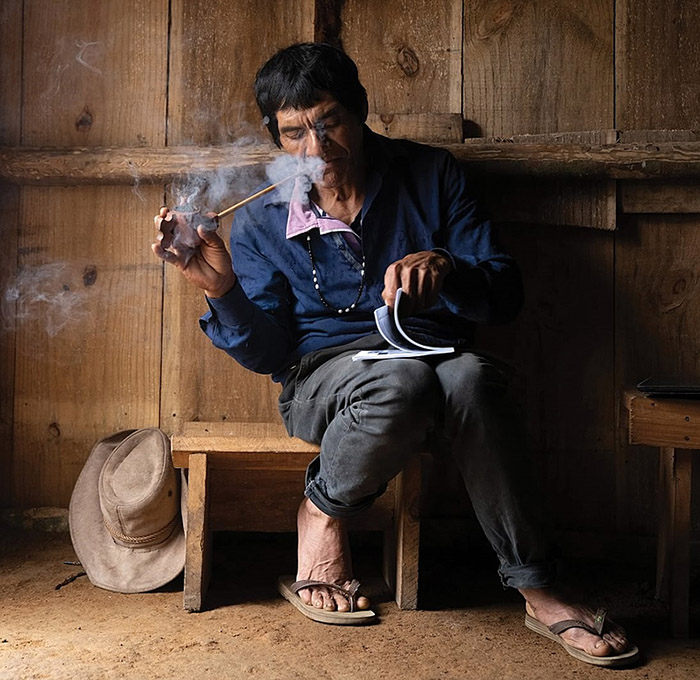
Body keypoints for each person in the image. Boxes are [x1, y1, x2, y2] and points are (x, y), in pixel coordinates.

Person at [152, 42, 639, 667]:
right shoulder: (259, 221)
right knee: (401, 382)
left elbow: (505, 295)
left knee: (472, 379)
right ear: (276, 136)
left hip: (436, 355)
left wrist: (450, 268)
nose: (317, 149)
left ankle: (535, 583)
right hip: (321, 380)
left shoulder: (432, 175)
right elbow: (269, 352)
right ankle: (321, 508)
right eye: (295, 133)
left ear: (361, 111)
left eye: (330, 122)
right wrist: (222, 290)